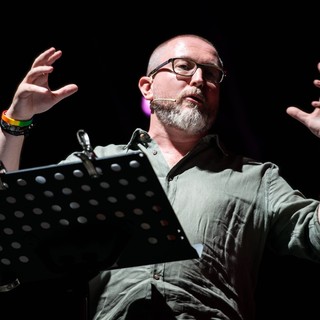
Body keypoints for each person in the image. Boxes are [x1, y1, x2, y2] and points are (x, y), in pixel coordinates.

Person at [0, 34, 320, 320]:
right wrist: (15, 121)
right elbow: (8, 216)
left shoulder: (255, 177)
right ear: (147, 87)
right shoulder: (95, 163)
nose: (199, 79)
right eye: (184, 66)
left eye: (212, 74)